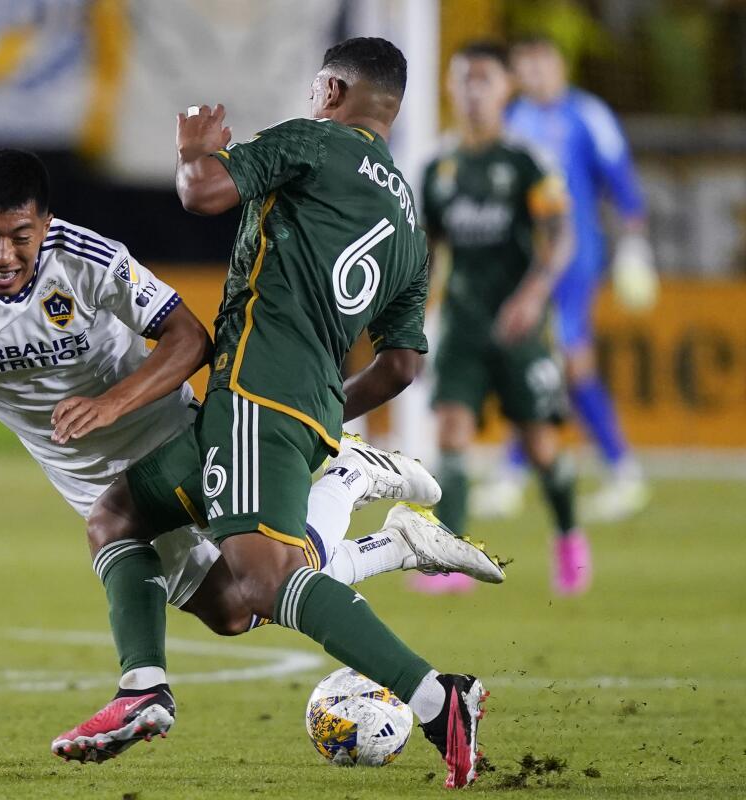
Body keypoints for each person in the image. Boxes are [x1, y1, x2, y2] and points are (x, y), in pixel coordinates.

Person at [0, 149, 496, 644]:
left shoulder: (90, 258)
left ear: (45, 225)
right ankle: (389, 534)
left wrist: (113, 404)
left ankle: (345, 480)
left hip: (167, 438)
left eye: (20, 237)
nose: (4, 256)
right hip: (84, 477)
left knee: (259, 579)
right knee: (237, 611)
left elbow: (188, 339)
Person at [51, 39, 503, 789]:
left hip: (258, 394)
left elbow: (203, 192)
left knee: (262, 584)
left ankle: (435, 698)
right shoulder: (412, 227)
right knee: (122, 518)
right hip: (290, 404)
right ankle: (141, 690)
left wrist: (193, 149)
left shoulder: (315, 140)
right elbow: (402, 364)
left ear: (330, 89)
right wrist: (325, 407)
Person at [417, 41, 584, 596]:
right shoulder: (438, 167)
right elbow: (428, 252)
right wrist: (415, 319)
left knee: (540, 445)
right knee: (451, 431)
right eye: (462, 79)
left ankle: (568, 539)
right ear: (450, 88)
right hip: (463, 323)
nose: (472, 90)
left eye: (484, 79)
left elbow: (561, 236)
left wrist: (533, 296)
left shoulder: (526, 160)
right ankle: (451, 561)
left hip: (520, 325)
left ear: (506, 88)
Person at [475, 33, 655, 523]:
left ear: (558, 66)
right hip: (526, 263)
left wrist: (634, 244)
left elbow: (621, 180)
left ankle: (618, 471)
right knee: (538, 360)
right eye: (524, 67)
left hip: (574, 261)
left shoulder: (588, 115)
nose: (532, 75)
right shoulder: (513, 120)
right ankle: (526, 471)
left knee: (570, 364)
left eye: (540, 65)